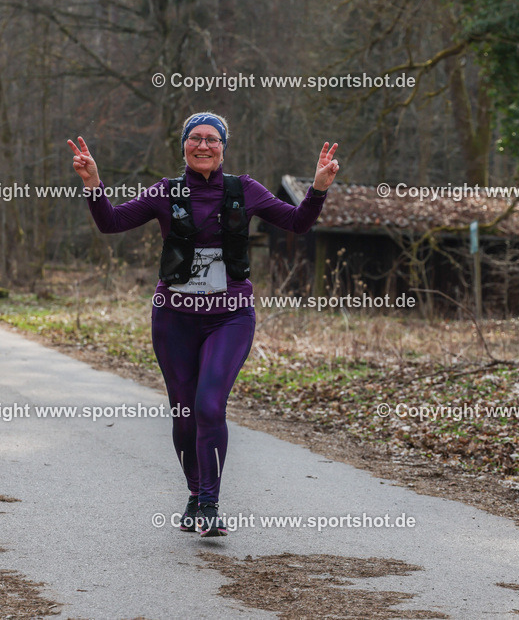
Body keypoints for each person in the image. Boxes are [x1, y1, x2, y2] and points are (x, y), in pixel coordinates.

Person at [69, 112, 339, 537]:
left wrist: (318, 188)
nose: (203, 145)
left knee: (209, 406)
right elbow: (111, 223)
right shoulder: (165, 191)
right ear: (184, 147)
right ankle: (195, 494)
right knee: (184, 413)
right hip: (174, 317)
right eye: (195, 138)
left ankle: (210, 505)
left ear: (223, 148)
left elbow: (297, 223)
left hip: (229, 316)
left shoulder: (244, 190)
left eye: (212, 139)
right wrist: (93, 184)